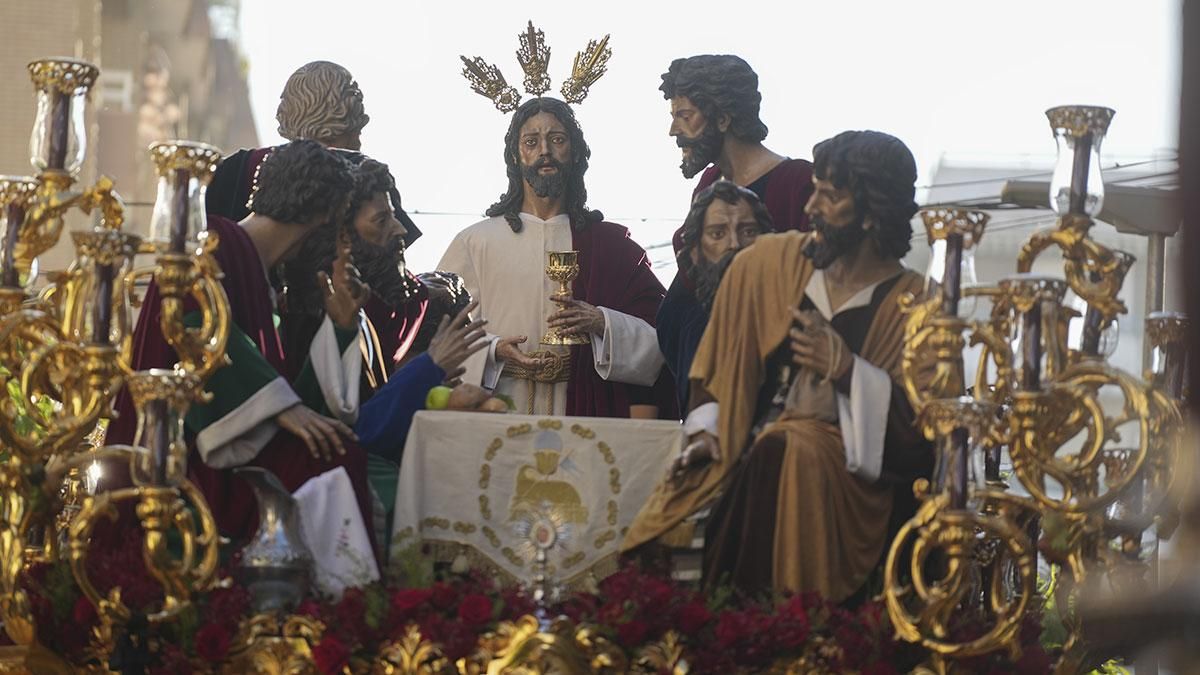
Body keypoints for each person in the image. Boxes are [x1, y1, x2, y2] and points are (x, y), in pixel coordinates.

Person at [625, 131, 934, 603]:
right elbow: (716, 370)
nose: (812, 207)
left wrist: (848, 370)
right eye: (815, 189)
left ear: (872, 213)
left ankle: (781, 623)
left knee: (794, 445)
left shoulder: (918, 307)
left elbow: (924, 440)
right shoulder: (769, 263)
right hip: (740, 458)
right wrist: (706, 431)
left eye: (830, 196)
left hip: (855, 493)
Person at [110, 140, 375, 542]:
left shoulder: (258, 273)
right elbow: (191, 330)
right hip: (183, 462)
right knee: (339, 459)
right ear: (320, 215)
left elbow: (292, 403)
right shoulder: (210, 244)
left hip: (231, 446)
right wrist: (277, 402)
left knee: (338, 452)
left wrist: (340, 326)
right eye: (337, 226)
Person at [437, 97, 675, 419]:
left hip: (585, 412)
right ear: (515, 155)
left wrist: (602, 322)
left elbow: (662, 337)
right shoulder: (475, 242)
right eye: (531, 142)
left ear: (575, 152)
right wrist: (494, 351)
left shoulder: (613, 247)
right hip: (499, 408)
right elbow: (439, 335)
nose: (544, 151)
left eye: (557, 139)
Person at [660, 55, 814, 253]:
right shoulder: (710, 182)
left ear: (723, 119)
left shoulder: (797, 183)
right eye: (674, 118)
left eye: (685, 117)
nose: (673, 130)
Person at [657, 180, 772, 411]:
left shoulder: (790, 314)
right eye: (717, 233)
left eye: (748, 231)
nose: (735, 244)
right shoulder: (695, 326)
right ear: (695, 252)